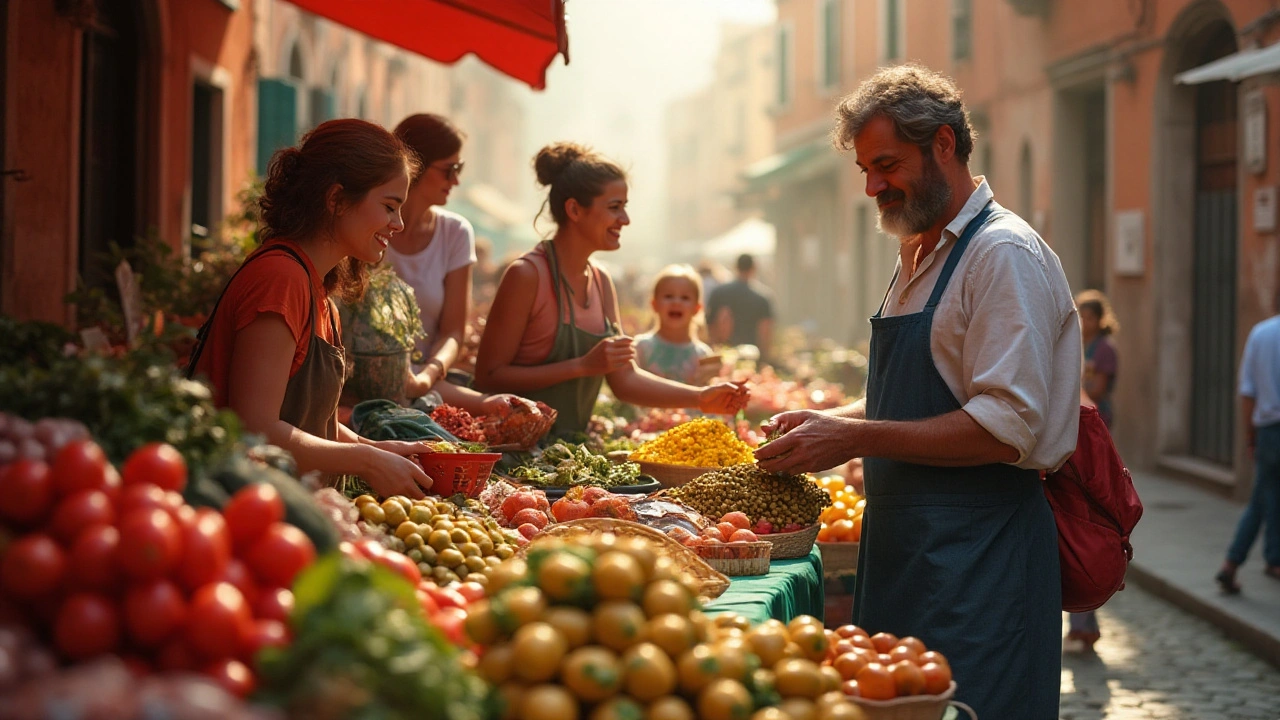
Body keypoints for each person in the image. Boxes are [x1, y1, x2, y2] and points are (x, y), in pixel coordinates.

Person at [754, 65, 1080, 719]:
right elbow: (918, 400)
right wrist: (827, 419)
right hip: (909, 555)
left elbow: (1004, 425)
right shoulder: (920, 253)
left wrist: (850, 435)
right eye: (866, 171)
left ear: (942, 145)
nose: (874, 187)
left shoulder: (1001, 256)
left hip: (981, 561)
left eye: (886, 165)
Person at [188, 119, 433, 499]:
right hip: (237, 509)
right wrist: (366, 462)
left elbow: (311, 421)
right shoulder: (280, 279)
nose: (398, 224)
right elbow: (257, 428)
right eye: (389, 206)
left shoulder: (318, 289)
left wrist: (373, 449)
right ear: (335, 199)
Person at [473, 142, 749, 435]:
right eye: (615, 208)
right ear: (575, 210)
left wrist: (700, 398)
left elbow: (625, 380)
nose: (625, 220)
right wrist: (581, 366)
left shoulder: (601, 280)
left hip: (567, 454)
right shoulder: (527, 275)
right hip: (514, 452)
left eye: (625, 208)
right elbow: (489, 377)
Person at [389, 113, 529, 418]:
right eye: (450, 169)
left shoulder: (455, 233)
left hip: (431, 381)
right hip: (364, 382)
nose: (457, 180)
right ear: (415, 166)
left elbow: (454, 330)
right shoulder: (371, 225)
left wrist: (428, 374)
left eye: (459, 168)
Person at [1065, 289, 1120, 651]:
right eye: (1080, 315)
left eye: (1089, 316)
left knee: (1081, 518)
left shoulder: (1104, 349)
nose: (1084, 322)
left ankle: (1084, 621)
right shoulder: (1074, 344)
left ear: (1100, 318)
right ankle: (1083, 623)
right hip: (1075, 424)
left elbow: (1096, 389)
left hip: (1090, 429)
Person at [1216, 307, 1280, 593]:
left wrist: (1250, 436)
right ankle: (1235, 562)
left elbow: (1247, 391)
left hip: (1268, 431)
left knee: (1263, 496)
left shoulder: (1261, 333)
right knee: (1265, 496)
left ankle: (1245, 562)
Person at [634, 264, 716, 385]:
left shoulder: (703, 355)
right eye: (668, 296)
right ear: (654, 304)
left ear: (697, 308)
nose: (676, 302)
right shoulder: (641, 348)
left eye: (685, 298)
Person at [706, 253, 774, 360]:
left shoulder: (719, 292)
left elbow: (710, 326)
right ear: (754, 268)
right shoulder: (762, 298)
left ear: (736, 267)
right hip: (752, 357)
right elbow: (765, 331)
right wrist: (765, 358)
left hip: (723, 355)